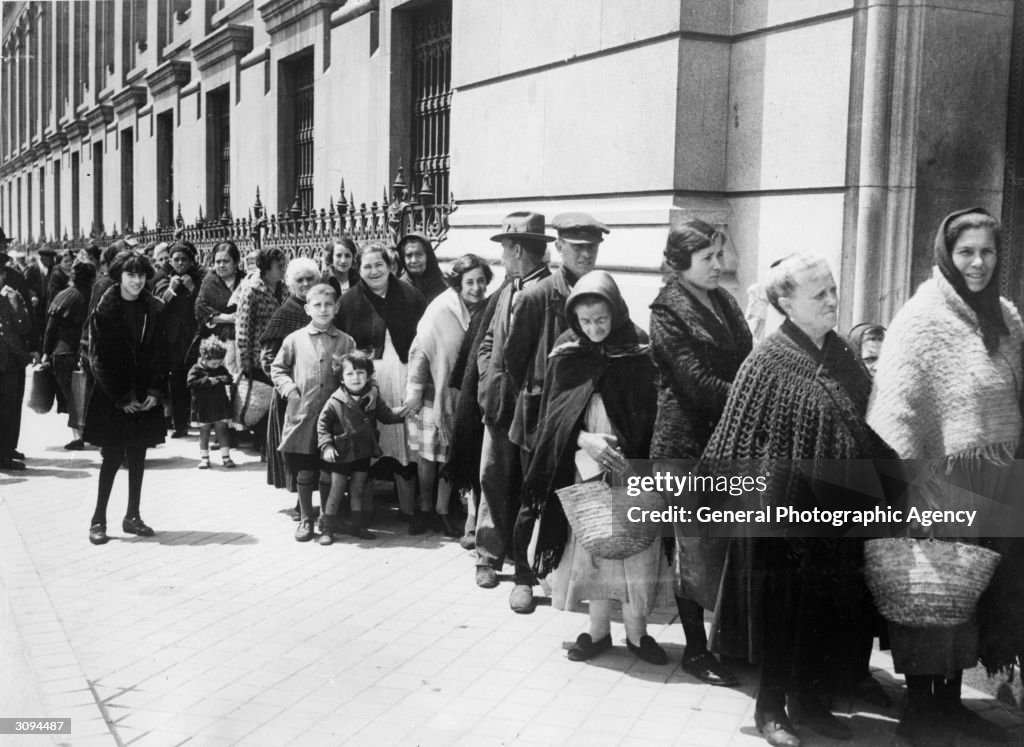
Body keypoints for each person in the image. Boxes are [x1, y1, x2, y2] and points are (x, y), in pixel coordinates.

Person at [702, 252, 894, 747]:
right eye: (820, 294)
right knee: (780, 614)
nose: (833, 300)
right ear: (785, 303)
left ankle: (809, 703)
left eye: (833, 288)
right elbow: (731, 444)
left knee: (826, 612)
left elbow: (871, 425)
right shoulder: (765, 361)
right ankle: (771, 710)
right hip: (782, 521)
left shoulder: (844, 355)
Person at [867, 208, 1021, 746]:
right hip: (939, 481)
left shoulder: (1004, 317)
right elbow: (896, 409)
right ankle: (919, 710)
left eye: (988, 252)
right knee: (933, 590)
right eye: (966, 252)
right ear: (946, 254)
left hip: (996, 481)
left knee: (973, 596)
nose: (978, 263)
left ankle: (951, 704)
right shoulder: (921, 318)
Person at [523, 270, 672, 663]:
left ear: (617, 311)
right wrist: (582, 438)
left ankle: (638, 635)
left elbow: (653, 413)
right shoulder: (567, 351)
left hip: (630, 464)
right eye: (585, 321)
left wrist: (631, 451)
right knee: (591, 546)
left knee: (634, 546)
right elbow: (553, 417)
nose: (594, 329)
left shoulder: (640, 349)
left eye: (601, 320)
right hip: (583, 463)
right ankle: (598, 630)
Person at [648, 220, 751, 686]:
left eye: (719, 255)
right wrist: (752, 401)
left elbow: (747, 357)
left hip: (728, 439)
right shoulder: (666, 309)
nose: (719, 265)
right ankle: (694, 650)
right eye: (708, 257)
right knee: (689, 545)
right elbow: (694, 382)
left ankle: (728, 641)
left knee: (724, 544)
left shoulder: (725, 301)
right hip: (683, 443)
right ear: (679, 261)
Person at [504, 212, 609, 614]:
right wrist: (541, 401)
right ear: (559, 248)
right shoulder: (538, 295)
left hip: (585, 416)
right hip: (542, 412)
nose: (585, 254)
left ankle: (567, 575)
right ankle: (522, 579)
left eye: (592, 247)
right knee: (533, 495)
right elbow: (513, 360)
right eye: (577, 247)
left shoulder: (602, 292)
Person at [474, 212, 554, 588]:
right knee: (491, 475)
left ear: (518, 248)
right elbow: (489, 340)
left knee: (525, 485)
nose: (500, 258)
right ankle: (487, 556)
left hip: (530, 408)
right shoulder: (508, 288)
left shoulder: (550, 292)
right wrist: (487, 376)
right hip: (497, 403)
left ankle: (524, 565)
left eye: (504, 249)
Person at [336, 244, 426, 532]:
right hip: (366, 380)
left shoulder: (409, 295)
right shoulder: (348, 302)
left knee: (404, 441)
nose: (374, 271)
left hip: (404, 376)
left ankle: (409, 510)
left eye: (380, 265)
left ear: (390, 266)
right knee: (370, 438)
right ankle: (365, 511)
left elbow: (423, 342)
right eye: (367, 266)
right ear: (358, 269)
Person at [404, 254, 493, 537]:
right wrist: (415, 394)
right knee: (428, 456)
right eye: (470, 282)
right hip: (433, 394)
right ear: (458, 283)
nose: (476, 288)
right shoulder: (441, 310)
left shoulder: (486, 309)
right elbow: (422, 350)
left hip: (463, 396)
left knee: (449, 455)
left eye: (481, 281)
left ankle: (443, 511)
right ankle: (425, 509)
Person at [83, 252, 168, 545]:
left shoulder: (154, 308)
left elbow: (161, 354)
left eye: (142, 275)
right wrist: (121, 396)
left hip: (144, 395)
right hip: (113, 397)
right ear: (119, 276)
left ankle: (133, 515)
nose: (136, 280)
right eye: (130, 275)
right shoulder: (104, 309)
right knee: (112, 456)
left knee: (138, 454)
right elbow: (97, 359)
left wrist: (156, 392)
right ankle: (98, 520)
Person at [272, 284, 356, 542]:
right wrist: (288, 387)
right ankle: (306, 518)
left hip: (333, 421)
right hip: (303, 416)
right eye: (317, 305)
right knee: (305, 471)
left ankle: (326, 520)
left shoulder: (345, 340)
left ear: (336, 308)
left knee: (329, 470)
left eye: (328, 305)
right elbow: (278, 368)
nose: (323, 310)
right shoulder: (294, 339)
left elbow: (356, 372)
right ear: (307, 308)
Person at [318, 352, 408, 543]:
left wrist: (406, 412)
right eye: (349, 374)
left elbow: (386, 415)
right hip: (341, 453)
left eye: (360, 373)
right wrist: (326, 446)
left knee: (358, 489)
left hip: (362, 451)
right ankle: (327, 528)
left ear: (368, 375)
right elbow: (323, 425)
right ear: (341, 378)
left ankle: (358, 526)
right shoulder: (335, 400)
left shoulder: (372, 398)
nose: (356, 378)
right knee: (337, 488)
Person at [261, 258, 318, 494]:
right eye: (299, 280)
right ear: (289, 284)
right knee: (297, 450)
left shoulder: (322, 306)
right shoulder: (285, 314)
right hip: (292, 395)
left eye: (310, 279)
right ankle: (300, 503)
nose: (305, 284)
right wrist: (289, 385)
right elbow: (267, 359)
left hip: (320, 392)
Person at [42, 260, 97, 450]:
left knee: (71, 396)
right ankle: (91, 432)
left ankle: (78, 436)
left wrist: (45, 353)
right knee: (88, 395)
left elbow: (50, 329)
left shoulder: (63, 296)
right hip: (89, 352)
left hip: (63, 353)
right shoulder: (96, 296)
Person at [156, 241, 204, 437]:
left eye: (184, 259)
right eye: (176, 259)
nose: (180, 263)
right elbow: (158, 306)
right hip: (174, 341)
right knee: (176, 381)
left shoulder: (199, 279)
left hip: (194, 338)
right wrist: (171, 290)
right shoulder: (163, 279)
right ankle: (180, 425)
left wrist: (193, 289)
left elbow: (204, 304)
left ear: (191, 261)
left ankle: (204, 422)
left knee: (198, 379)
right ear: (170, 261)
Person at [0, 253, 37, 471]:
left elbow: (24, 325)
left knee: (10, 406)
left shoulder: (11, 291)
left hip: (11, 359)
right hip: (6, 358)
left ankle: (6, 449)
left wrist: (15, 302)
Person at [236, 247, 286, 379]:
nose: (283, 269)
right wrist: (245, 357)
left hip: (283, 355)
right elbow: (243, 327)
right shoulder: (252, 291)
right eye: (279, 266)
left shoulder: (285, 289)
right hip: (260, 358)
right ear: (267, 268)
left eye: (284, 265)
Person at [187, 337, 236, 470]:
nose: (217, 366)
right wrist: (207, 381)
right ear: (204, 358)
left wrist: (226, 379)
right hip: (203, 406)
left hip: (219, 405)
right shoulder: (196, 369)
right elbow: (190, 383)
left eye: (219, 363)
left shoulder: (220, 368)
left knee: (222, 430)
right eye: (214, 363)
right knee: (204, 432)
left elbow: (229, 379)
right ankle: (204, 459)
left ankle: (226, 457)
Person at [195, 241, 241, 375]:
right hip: (216, 342)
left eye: (225, 261)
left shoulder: (244, 280)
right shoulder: (209, 282)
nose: (221, 265)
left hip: (241, 340)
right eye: (218, 261)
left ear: (236, 262)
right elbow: (200, 310)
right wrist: (228, 318)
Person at [396, 231, 447, 303]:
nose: (413, 260)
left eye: (419, 254)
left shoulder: (442, 285)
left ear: (428, 257)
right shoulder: (399, 289)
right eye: (409, 255)